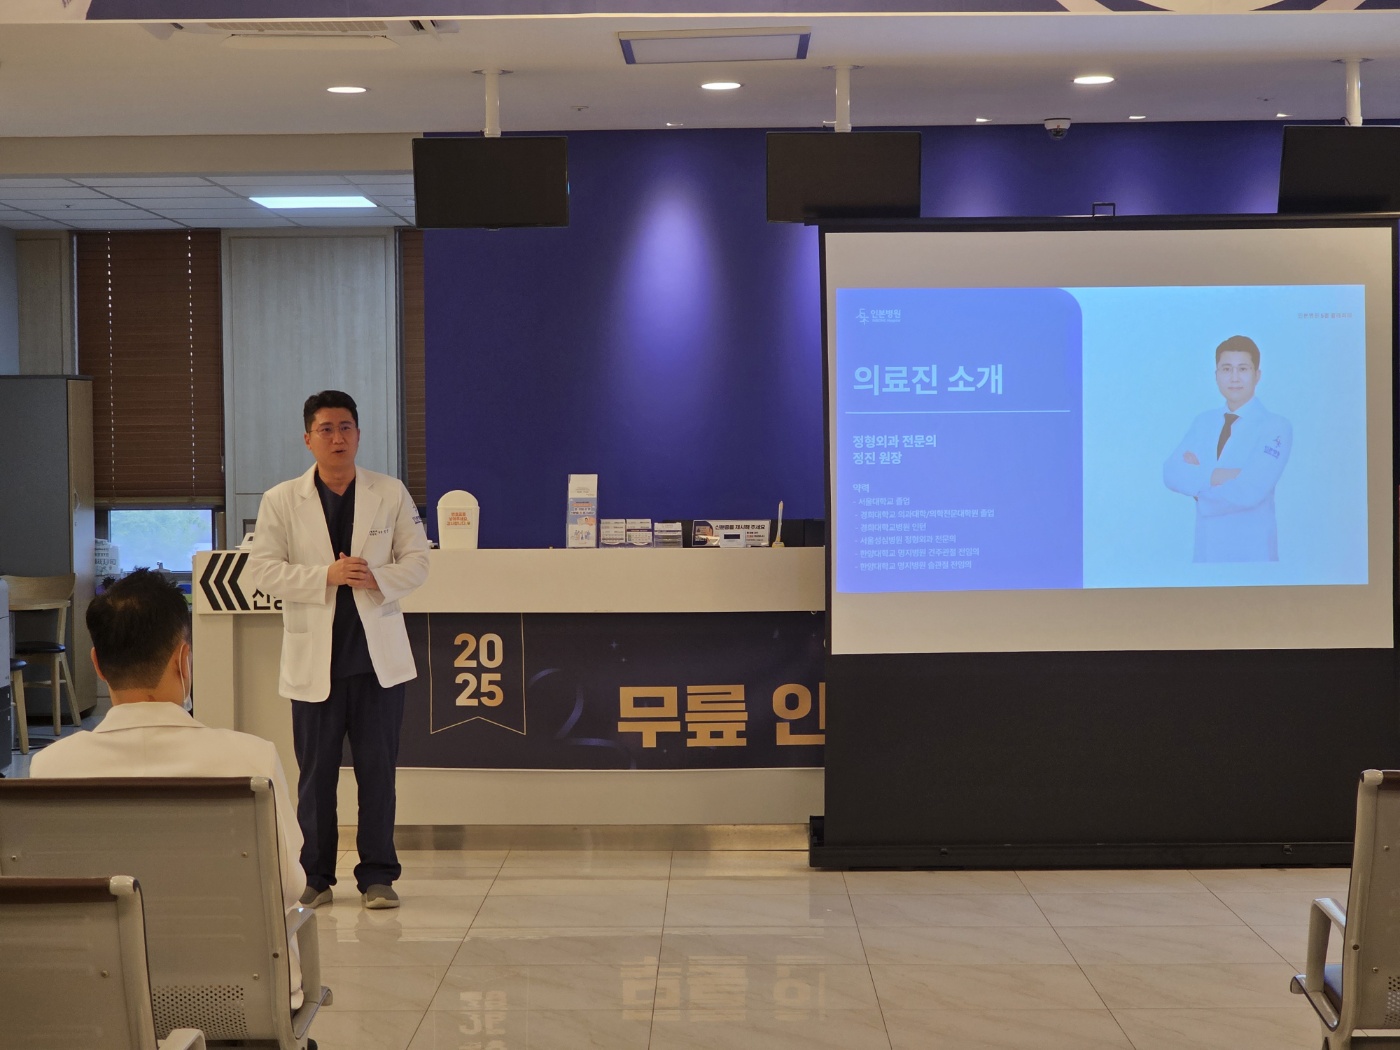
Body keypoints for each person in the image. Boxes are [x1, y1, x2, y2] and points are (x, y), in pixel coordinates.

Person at [30, 568, 309, 1010]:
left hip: (100, 1007)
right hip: (242, 1004)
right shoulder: (251, 760)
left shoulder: (50, 769)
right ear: (184, 660)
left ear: (98, 664)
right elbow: (289, 885)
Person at [247, 390, 430, 911]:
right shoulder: (281, 499)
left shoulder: (389, 492)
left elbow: (418, 561)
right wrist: (324, 576)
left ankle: (378, 876)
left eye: (346, 427)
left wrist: (377, 578)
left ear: (359, 435)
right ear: (308, 439)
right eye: (326, 429)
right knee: (316, 778)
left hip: (376, 666)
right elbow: (261, 570)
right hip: (316, 664)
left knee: (378, 774)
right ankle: (315, 876)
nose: (337, 438)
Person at [1163, 335, 1293, 562]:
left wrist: (1198, 486)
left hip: (1253, 553)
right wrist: (1222, 475)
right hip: (1207, 552)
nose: (1234, 378)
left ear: (1257, 375)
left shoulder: (1275, 426)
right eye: (1226, 369)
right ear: (1216, 375)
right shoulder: (1203, 422)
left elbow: (1251, 490)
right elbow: (1171, 472)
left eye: (1243, 369)